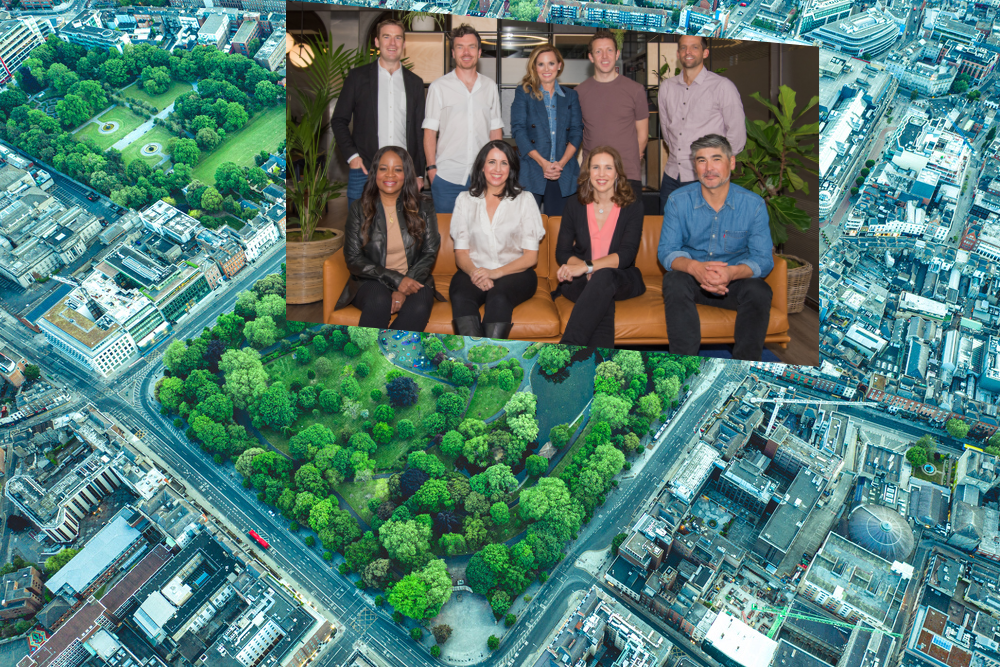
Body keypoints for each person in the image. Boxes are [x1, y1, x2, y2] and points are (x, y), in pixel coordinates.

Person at [657, 134, 773, 361]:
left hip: (734, 283)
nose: (709, 168)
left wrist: (731, 272)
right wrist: (695, 268)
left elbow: (763, 259)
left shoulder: (753, 205)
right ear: (695, 166)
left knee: (759, 290)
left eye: (716, 159)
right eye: (701, 161)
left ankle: (743, 367)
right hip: (692, 282)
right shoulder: (677, 200)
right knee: (674, 280)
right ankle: (684, 364)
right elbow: (667, 251)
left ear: (731, 162)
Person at [335, 146, 441, 331]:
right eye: (383, 169)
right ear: (375, 173)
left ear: (406, 174)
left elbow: (430, 251)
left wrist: (403, 286)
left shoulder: (424, 206)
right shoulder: (359, 209)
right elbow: (353, 258)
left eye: (397, 169)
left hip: (414, 277)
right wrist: (396, 280)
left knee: (419, 306)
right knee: (378, 301)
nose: (390, 175)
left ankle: (389, 353)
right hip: (371, 281)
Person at [449, 140, 545, 339]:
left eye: (504, 163)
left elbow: (530, 258)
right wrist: (477, 273)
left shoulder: (525, 200)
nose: (497, 169)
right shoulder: (464, 200)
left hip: (515, 272)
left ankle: (489, 362)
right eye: (492, 162)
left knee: (498, 297)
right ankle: (471, 361)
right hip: (473, 270)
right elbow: (461, 253)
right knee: (460, 296)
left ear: (511, 169)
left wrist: (494, 273)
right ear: (482, 166)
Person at [554, 146, 645, 348]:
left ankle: (566, 349)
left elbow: (627, 255)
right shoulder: (574, 204)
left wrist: (589, 267)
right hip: (580, 281)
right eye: (595, 167)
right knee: (601, 295)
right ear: (588, 173)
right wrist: (582, 269)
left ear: (617, 174)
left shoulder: (633, 206)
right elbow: (563, 252)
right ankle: (601, 368)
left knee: (603, 277)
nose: (601, 174)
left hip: (622, 277)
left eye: (608, 168)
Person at [330, 18, 426, 210]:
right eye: (386, 37)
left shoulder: (415, 83)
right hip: (365, 169)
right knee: (359, 234)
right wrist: (352, 157)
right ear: (377, 42)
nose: (392, 43)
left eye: (398, 38)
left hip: (404, 172)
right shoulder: (357, 78)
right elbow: (339, 120)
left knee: (403, 232)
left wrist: (419, 173)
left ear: (404, 44)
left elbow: (419, 130)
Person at [657, 35, 746, 214]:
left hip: (706, 178)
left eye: (694, 47)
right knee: (667, 233)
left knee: (704, 237)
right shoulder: (667, 87)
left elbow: (737, 136)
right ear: (678, 53)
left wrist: (715, 166)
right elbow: (667, 130)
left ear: (705, 53)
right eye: (683, 48)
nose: (688, 52)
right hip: (672, 175)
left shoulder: (722, 87)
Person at [423, 24, 504, 214]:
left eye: (471, 47)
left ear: (479, 52)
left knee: (482, 237)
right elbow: (429, 132)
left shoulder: (489, 87)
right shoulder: (438, 87)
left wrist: (497, 168)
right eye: (460, 47)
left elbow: (495, 131)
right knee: (445, 237)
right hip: (446, 178)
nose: (466, 52)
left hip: (483, 178)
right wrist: (432, 171)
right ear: (453, 52)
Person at [509, 44, 583, 217]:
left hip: (563, 173)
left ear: (559, 65)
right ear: (534, 67)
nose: (546, 69)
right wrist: (543, 163)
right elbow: (518, 131)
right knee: (527, 231)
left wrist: (561, 164)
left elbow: (577, 132)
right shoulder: (524, 92)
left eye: (551, 63)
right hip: (531, 170)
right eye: (540, 64)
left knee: (560, 230)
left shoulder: (571, 96)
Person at [576, 30, 649, 199]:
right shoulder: (579, 93)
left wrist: (629, 162)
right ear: (591, 57)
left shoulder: (635, 90)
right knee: (591, 226)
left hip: (627, 175)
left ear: (617, 54)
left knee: (628, 225)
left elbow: (643, 135)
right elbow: (577, 135)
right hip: (592, 177)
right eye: (598, 51)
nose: (604, 56)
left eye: (609, 50)